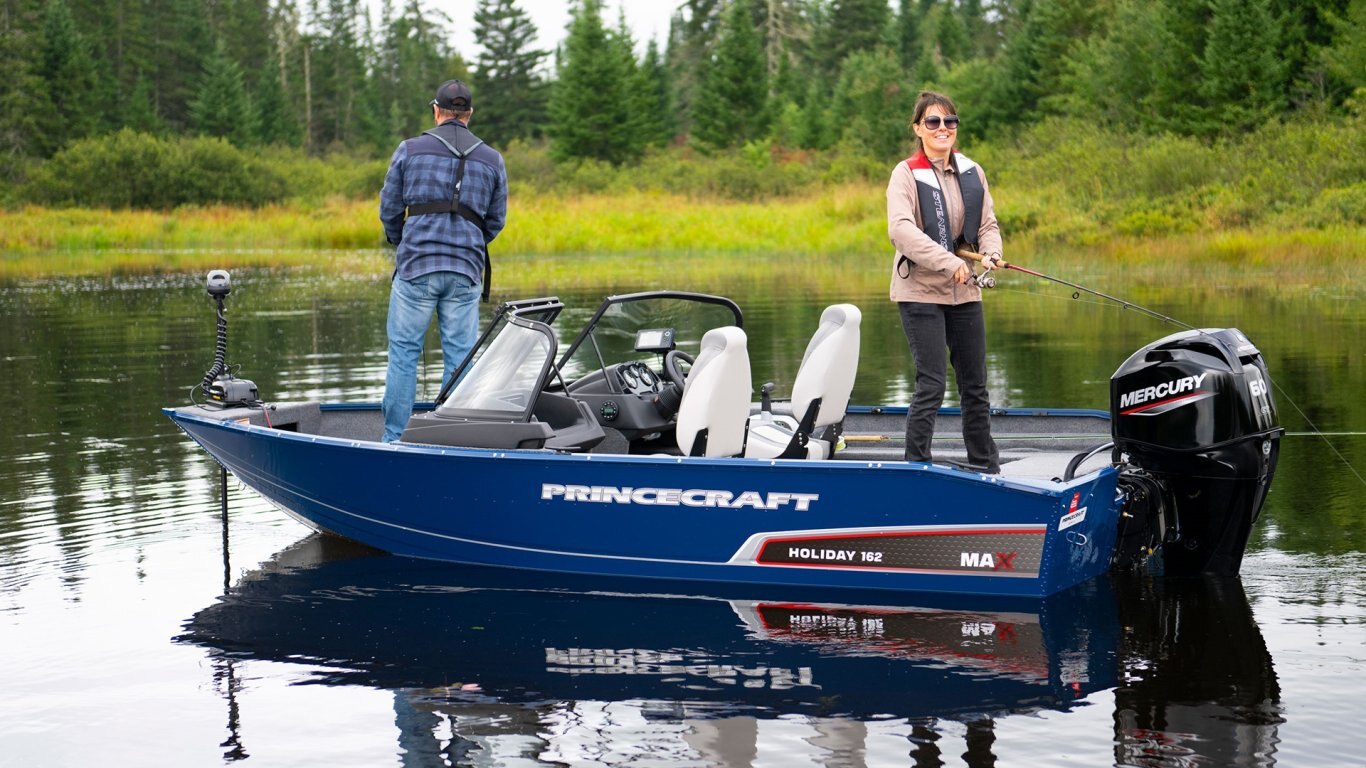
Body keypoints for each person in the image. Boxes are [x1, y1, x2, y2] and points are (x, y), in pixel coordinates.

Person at [379, 79, 508, 443]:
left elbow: (389, 208)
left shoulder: (409, 149)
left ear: (436, 111)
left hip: (416, 266)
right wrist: (469, 244)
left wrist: (402, 241)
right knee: (461, 358)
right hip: (466, 270)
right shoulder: (493, 159)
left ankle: (395, 440)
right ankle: (454, 440)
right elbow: (496, 220)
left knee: (404, 355)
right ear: (469, 114)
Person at [886, 90, 1005, 472]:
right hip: (920, 292)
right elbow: (900, 230)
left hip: (965, 292)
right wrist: (947, 261)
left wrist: (992, 252)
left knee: (975, 386)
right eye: (933, 121)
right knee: (932, 384)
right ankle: (916, 467)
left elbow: (987, 224)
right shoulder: (905, 173)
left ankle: (986, 467)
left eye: (949, 121)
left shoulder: (973, 171)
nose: (943, 128)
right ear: (918, 128)